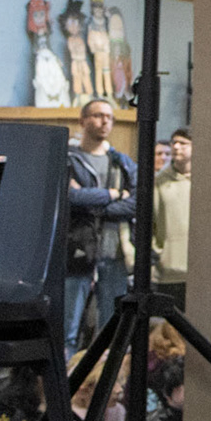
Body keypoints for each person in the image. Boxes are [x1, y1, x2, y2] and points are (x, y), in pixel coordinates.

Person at [65, 97, 136, 352]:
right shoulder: (69, 160)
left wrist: (93, 204)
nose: (104, 121)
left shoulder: (123, 163)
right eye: (97, 115)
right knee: (68, 328)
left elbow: (136, 202)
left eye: (109, 117)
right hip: (78, 251)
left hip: (114, 252)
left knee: (112, 329)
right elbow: (70, 198)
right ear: (83, 120)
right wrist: (113, 194)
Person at [152, 127, 193, 309]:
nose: (176, 147)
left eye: (183, 143)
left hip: (197, 269)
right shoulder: (159, 182)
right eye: (174, 143)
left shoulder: (206, 182)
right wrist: (157, 253)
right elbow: (151, 221)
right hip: (168, 269)